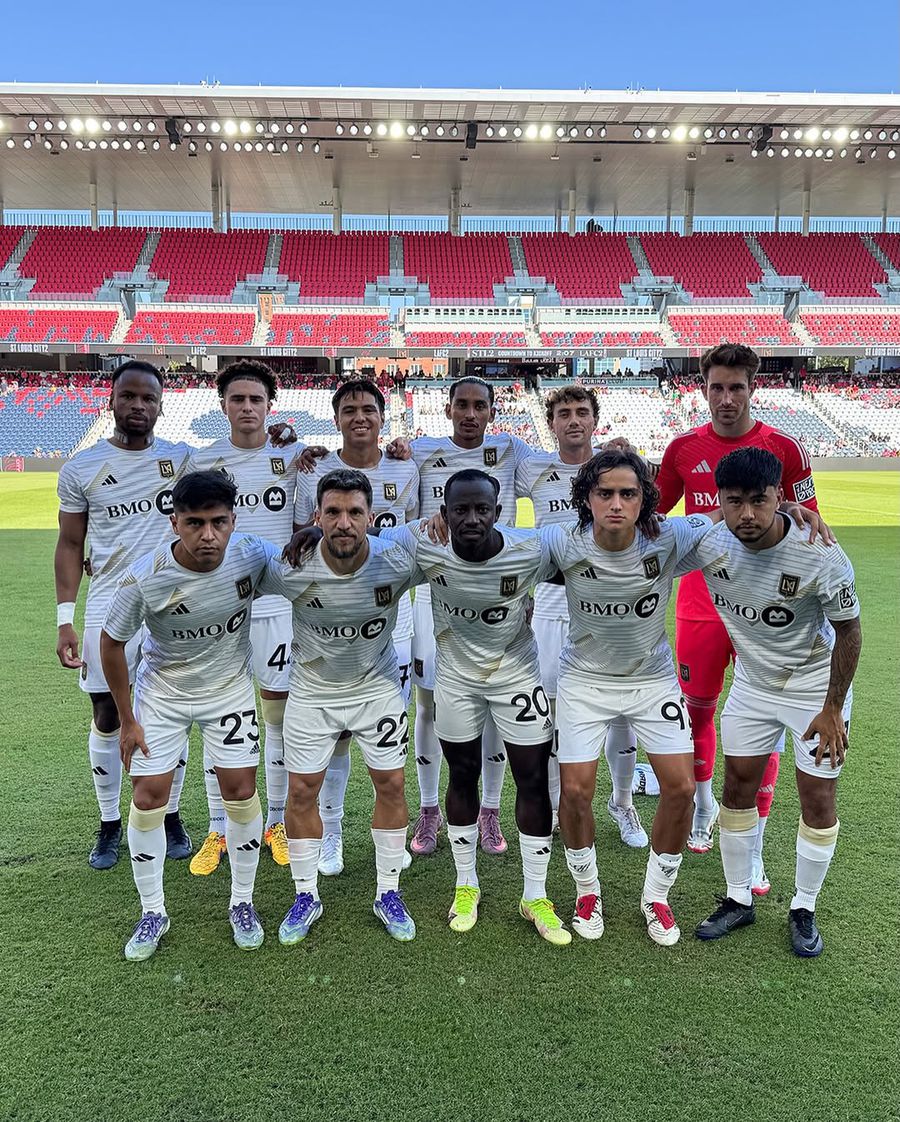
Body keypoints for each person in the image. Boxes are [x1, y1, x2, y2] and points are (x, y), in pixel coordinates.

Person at [547, 449, 825, 945]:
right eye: (604, 493)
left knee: (678, 788)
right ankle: (587, 890)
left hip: (653, 679)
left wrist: (787, 512)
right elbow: (497, 547)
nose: (616, 504)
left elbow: (733, 517)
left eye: (628, 494)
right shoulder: (562, 542)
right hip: (584, 681)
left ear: (645, 500)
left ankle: (657, 895)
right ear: (586, 499)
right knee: (574, 791)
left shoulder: (669, 536)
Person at [654, 344, 822, 891]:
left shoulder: (784, 448)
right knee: (697, 714)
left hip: (768, 609)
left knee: (765, 724)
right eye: (716, 388)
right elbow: (649, 516)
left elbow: (815, 524)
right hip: (702, 604)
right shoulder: (683, 448)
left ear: (754, 387)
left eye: (737, 388)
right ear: (702, 388)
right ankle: (705, 811)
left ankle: (754, 850)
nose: (726, 400)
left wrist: (799, 513)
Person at [383, 469, 571, 947]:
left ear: (498, 512)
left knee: (531, 779)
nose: (471, 518)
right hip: (457, 681)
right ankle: (466, 884)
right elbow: (363, 538)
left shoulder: (528, 549)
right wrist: (312, 531)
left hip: (518, 677)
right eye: (460, 509)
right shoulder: (426, 545)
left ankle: (535, 894)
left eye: (481, 509)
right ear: (443, 513)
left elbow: (589, 545)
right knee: (461, 775)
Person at [690, 448, 860, 957]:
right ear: (718, 502)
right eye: (734, 501)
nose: (746, 514)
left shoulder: (819, 551)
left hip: (813, 687)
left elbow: (849, 631)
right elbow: (640, 532)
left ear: (780, 497)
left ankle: (804, 907)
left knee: (817, 796)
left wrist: (832, 707)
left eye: (759, 501)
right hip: (752, 684)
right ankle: (739, 898)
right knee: (738, 784)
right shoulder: (707, 542)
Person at [100, 471, 276, 960]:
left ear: (233, 520)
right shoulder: (146, 576)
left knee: (240, 791)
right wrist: (128, 718)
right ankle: (152, 910)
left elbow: (304, 567)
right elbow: (111, 642)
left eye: (219, 522)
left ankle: (242, 901)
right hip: (163, 695)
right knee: (150, 795)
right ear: (174, 522)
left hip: (229, 691)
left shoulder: (252, 555)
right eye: (194, 523)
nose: (208, 535)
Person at [270, 469, 421, 945]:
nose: (344, 523)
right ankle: (306, 894)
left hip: (376, 687)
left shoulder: (395, 558)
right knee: (300, 793)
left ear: (371, 518)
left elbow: (453, 543)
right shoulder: (290, 565)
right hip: (312, 692)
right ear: (316, 517)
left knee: (392, 784)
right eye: (332, 512)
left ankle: (387, 892)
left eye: (355, 512)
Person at [387, 377, 534, 859]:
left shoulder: (512, 450)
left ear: (493, 410)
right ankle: (430, 809)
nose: (471, 414)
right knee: (429, 708)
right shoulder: (422, 452)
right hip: (439, 600)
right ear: (447, 408)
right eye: (462, 405)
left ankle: (489, 810)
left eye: (480, 406)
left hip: (502, 598)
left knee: (495, 706)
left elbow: (571, 464)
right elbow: (391, 497)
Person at [55, 360, 193, 870]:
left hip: (171, 609)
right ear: (111, 399)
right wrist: (64, 618)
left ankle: (172, 813)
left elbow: (240, 459)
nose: (138, 405)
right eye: (129, 396)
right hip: (109, 607)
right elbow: (71, 544)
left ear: (161, 405)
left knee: (171, 712)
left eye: (148, 398)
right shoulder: (81, 467)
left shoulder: (181, 460)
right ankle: (109, 821)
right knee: (108, 715)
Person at [186, 360, 321, 875]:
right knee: (215, 713)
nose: (246, 407)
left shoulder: (292, 456)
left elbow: (307, 525)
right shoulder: (201, 462)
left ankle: (278, 823)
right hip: (218, 606)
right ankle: (219, 828)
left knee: (280, 718)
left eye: (255, 400)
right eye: (237, 399)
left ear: (270, 406)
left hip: (274, 607)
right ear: (223, 405)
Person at [293, 379, 420, 877]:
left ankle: (391, 840)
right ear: (337, 417)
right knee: (335, 738)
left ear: (383, 417)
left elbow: (421, 528)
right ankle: (332, 834)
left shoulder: (406, 463)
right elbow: (301, 536)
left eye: (369, 409)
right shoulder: (314, 467)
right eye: (350, 410)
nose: (360, 417)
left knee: (384, 736)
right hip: (330, 614)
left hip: (395, 616)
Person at [516, 384, 649, 846]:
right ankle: (555, 806)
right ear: (550, 423)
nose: (573, 420)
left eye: (582, 413)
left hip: (613, 606)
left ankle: (623, 804)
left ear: (595, 420)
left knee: (624, 713)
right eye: (564, 413)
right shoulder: (531, 465)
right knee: (552, 712)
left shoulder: (619, 468)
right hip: (553, 606)